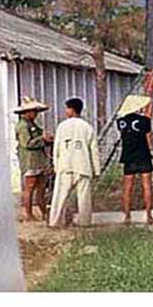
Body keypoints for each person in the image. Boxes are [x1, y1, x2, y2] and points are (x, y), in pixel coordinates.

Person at [49, 98, 100, 228]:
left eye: (67, 108)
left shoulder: (62, 126)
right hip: (83, 166)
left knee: (60, 196)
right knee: (84, 198)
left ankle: (55, 221)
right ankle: (84, 222)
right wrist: (96, 170)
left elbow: (57, 148)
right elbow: (93, 150)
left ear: (71, 109)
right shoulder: (87, 127)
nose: (66, 111)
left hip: (65, 166)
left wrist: (56, 165)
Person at [115, 95, 153, 225]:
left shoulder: (120, 122)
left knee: (127, 187)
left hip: (128, 156)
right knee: (147, 186)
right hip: (143, 154)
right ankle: (148, 215)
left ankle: (127, 216)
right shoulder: (145, 120)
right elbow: (148, 134)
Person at [14, 98, 53, 222]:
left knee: (41, 187)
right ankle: (29, 214)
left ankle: (43, 212)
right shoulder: (22, 126)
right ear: (27, 112)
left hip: (39, 160)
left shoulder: (32, 124)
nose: (36, 114)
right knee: (30, 187)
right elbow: (27, 143)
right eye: (34, 111)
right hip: (30, 161)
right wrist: (42, 139)